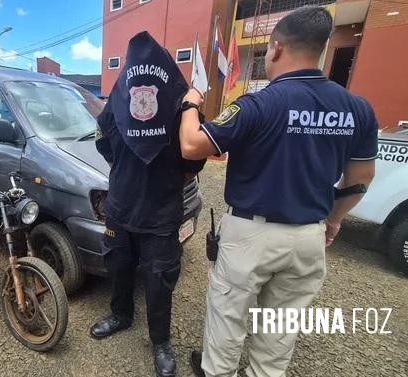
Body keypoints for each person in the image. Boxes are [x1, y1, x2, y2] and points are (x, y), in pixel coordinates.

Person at [178, 6, 378, 377]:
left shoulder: (259, 104)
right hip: (308, 235)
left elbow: (191, 145)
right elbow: (361, 177)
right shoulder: (357, 109)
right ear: (320, 49)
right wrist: (334, 220)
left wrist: (191, 102)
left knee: (228, 317)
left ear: (277, 48)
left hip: (251, 235)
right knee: (279, 327)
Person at [91, 31, 205, 377]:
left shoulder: (179, 105)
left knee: (159, 280)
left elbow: (194, 157)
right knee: (119, 266)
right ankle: (120, 315)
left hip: (160, 213)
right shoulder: (115, 105)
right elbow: (104, 144)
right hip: (122, 207)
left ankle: (160, 342)